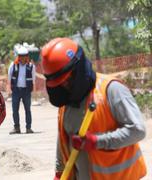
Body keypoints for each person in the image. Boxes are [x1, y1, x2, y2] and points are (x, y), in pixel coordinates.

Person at [40, 38, 147, 180]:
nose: (64, 86)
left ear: (77, 70)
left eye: (67, 80)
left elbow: (137, 130)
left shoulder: (111, 90)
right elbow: (63, 143)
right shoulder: (65, 102)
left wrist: (97, 141)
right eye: (60, 83)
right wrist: (59, 174)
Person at [8, 46, 36, 134]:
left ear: (27, 56)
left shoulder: (31, 66)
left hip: (26, 91)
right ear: (18, 56)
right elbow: (9, 77)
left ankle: (28, 128)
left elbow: (33, 79)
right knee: (15, 110)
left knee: (27, 109)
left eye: (24, 56)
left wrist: (33, 91)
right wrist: (9, 89)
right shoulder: (13, 65)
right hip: (16, 90)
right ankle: (17, 128)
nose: (23, 58)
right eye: (21, 56)